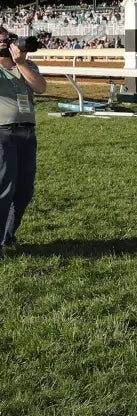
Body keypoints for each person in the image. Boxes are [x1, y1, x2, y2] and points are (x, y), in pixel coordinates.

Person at [0, 29, 46, 259]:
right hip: (2, 132)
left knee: (24, 190)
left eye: (7, 39)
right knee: (4, 189)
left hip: (27, 133)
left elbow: (40, 87)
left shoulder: (28, 65)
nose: (6, 44)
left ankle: (7, 236)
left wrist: (21, 63)